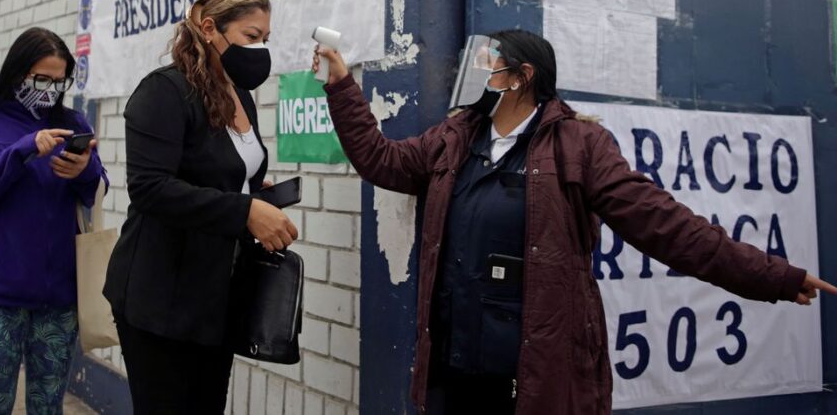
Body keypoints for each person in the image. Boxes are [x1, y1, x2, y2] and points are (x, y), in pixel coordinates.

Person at [313, 29, 837, 415]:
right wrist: (341, 87)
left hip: (534, 371)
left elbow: (665, 224)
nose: (478, 69)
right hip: (456, 366)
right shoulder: (455, 135)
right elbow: (382, 161)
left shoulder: (579, 144)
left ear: (522, 78)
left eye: (490, 61)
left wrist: (772, 276)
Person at [104, 0, 299, 414]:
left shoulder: (239, 93)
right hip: (161, 298)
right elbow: (151, 188)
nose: (260, 48)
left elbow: (217, 171)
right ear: (210, 28)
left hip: (216, 296)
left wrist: (253, 192)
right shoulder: (163, 91)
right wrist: (244, 210)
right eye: (251, 36)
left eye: (265, 39)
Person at [0, 27, 105, 415]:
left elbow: (96, 190)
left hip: (59, 298)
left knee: (48, 406)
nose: (50, 88)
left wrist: (84, 170)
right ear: (17, 73)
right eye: (41, 79)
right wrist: (21, 151)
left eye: (59, 80)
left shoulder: (73, 122)